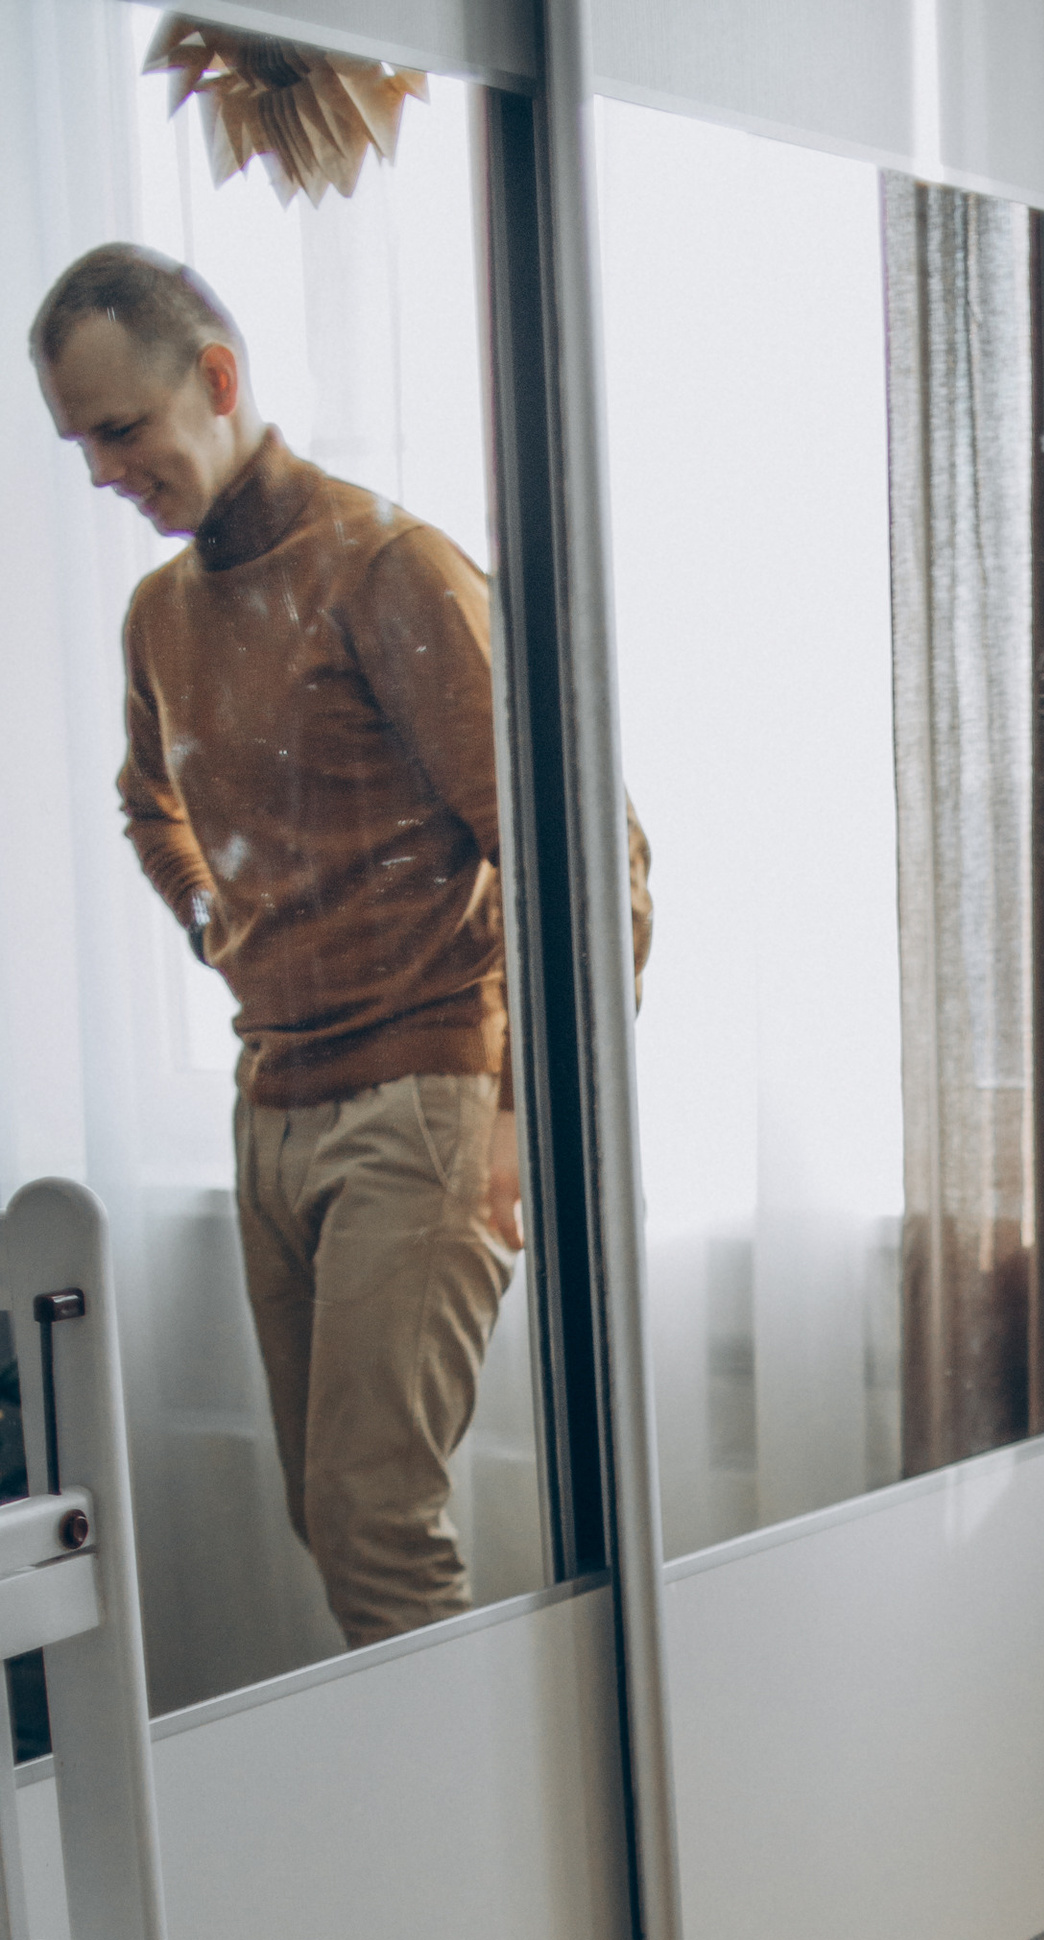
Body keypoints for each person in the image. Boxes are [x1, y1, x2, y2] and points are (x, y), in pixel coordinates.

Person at [29, 241, 651, 1648]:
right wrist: (221, 921)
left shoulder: (388, 568)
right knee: (327, 1516)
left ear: (220, 378)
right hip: (275, 1107)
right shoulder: (160, 617)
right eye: (79, 446)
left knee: (376, 1523)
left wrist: (521, 1114)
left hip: (421, 1102)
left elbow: (588, 860)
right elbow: (148, 807)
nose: (103, 472)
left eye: (121, 428)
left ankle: (456, 1858)